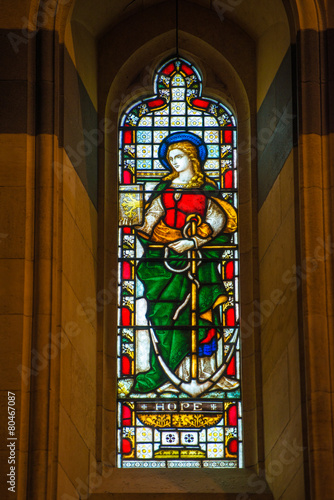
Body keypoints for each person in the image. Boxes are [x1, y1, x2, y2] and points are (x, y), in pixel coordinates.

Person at [134, 132, 237, 394]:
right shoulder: (165, 189)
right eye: (170, 158)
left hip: (197, 261)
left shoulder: (206, 190)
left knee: (199, 314)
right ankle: (169, 372)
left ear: (191, 158)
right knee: (161, 313)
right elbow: (151, 218)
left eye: (179, 157)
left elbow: (217, 220)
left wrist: (192, 243)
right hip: (165, 261)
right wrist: (132, 219)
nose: (174, 162)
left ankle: (204, 372)